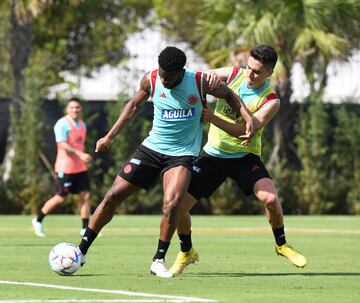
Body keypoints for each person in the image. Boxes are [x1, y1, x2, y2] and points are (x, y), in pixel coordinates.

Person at [76, 46, 254, 278]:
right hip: (151, 149)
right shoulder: (151, 78)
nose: (163, 79)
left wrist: (248, 117)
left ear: (181, 72)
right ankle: (81, 251)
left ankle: (158, 259)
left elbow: (229, 94)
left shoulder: (200, 82)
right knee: (112, 196)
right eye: (160, 74)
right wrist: (109, 136)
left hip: (181, 154)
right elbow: (133, 106)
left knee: (172, 205)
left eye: (167, 77)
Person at [169, 44, 307, 276]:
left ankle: (282, 245)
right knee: (179, 207)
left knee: (270, 199)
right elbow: (200, 77)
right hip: (212, 156)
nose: (249, 74)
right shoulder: (235, 74)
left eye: (256, 72)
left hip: (245, 158)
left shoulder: (270, 100)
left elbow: (245, 131)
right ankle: (187, 252)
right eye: (248, 67)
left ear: (269, 74)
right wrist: (209, 76)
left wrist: (212, 117)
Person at [32, 97, 92, 237]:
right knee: (60, 198)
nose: (75, 110)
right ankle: (38, 220)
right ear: (67, 109)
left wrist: (83, 157)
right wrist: (80, 154)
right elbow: (62, 144)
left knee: (86, 196)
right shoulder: (62, 124)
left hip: (80, 168)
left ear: (80, 109)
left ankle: (84, 229)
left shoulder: (82, 124)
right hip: (65, 168)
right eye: (72, 107)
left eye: (77, 107)